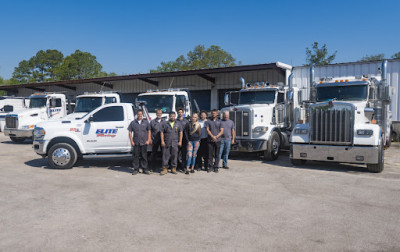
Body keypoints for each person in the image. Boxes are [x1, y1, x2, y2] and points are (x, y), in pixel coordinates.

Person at [128, 109, 151, 175]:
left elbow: (149, 131)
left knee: (144, 156)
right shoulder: (133, 123)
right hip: (136, 142)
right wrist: (131, 141)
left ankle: (145, 169)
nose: (140, 115)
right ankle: (136, 169)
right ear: (137, 115)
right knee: (136, 156)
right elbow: (130, 132)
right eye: (138, 114)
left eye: (141, 114)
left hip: (144, 142)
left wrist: (148, 140)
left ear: (142, 115)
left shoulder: (146, 122)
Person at [176, 107, 189, 172]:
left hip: (184, 139)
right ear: (177, 113)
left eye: (181, 112)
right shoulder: (176, 121)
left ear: (183, 113)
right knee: (177, 153)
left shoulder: (186, 121)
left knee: (184, 154)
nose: (180, 113)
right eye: (179, 112)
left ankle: (184, 166)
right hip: (177, 139)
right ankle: (177, 166)